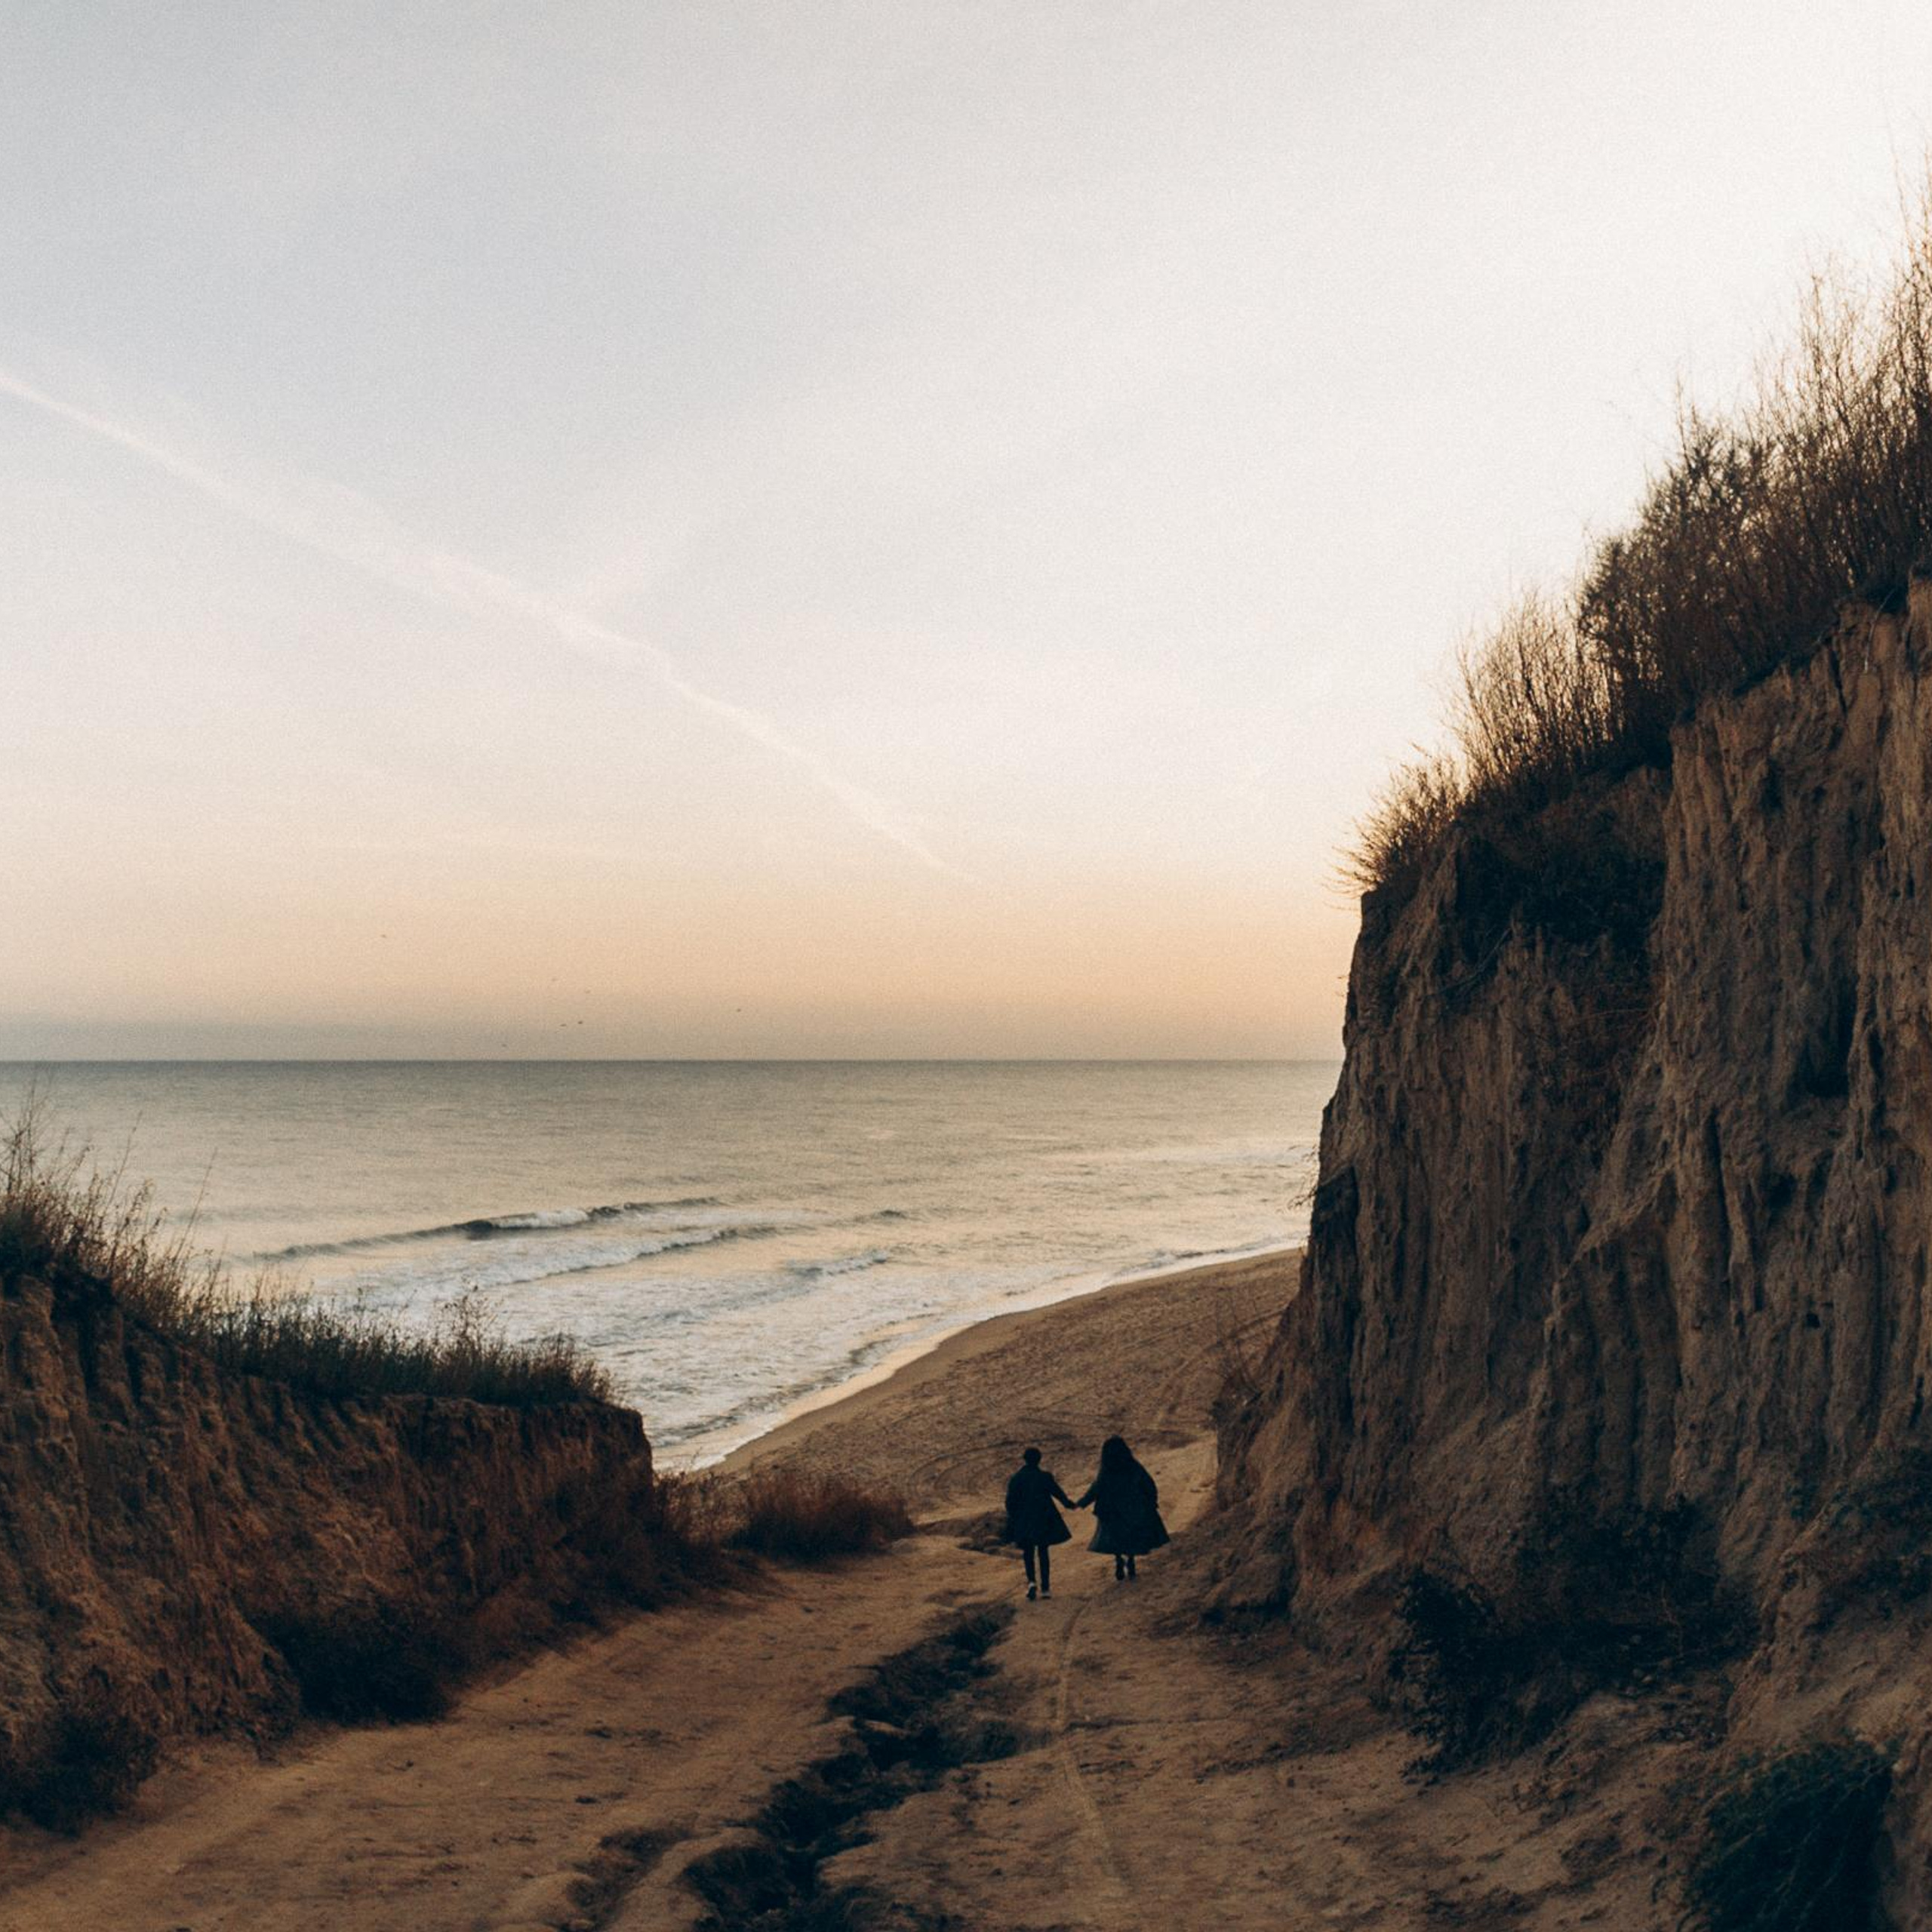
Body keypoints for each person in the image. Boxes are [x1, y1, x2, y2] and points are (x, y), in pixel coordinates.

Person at [1075, 1435, 1169, 1581]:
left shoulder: (1107, 1469)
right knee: (1130, 1536)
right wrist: (1152, 1502)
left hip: (1111, 1510)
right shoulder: (1133, 1465)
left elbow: (1097, 1487)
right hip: (1132, 1508)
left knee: (1115, 1537)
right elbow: (1148, 1484)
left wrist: (1081, 1502)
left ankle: (1118, 1559)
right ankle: (1130, 1559)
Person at [1003, 1446, 1075, 1600]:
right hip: (1043, 1519)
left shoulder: (1016, 1479)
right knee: (1043, 1551)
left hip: (1024, 1520)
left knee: (1028, 1552)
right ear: (1039, 1460)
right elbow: (1059, 1494)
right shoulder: (1045, 1477)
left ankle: (1031, 1582)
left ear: (1025, 1459)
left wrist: (1014, 1519)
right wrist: (1071, 1504)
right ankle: (1046, 1588)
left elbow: (1009, 1502)